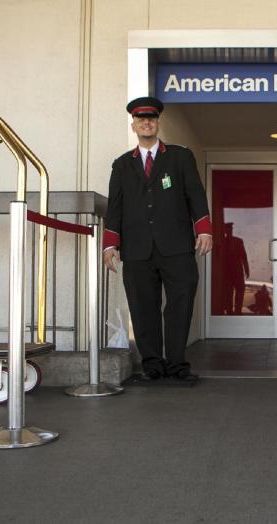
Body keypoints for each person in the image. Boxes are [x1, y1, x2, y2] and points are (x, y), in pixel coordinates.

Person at [103, 96, 213, 382]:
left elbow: (195, 195)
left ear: (158, 122)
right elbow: (114, 206)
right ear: (134, 125)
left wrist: (204, 229)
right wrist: (110, 244)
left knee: (181, 302)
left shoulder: (179, 156)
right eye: (141, 120)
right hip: (137, 249)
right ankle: (152, 365)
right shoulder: (122, 165)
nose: (146, 123)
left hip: (176, 246)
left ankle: (177, 365)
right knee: (143, 308)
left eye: (151, 118)